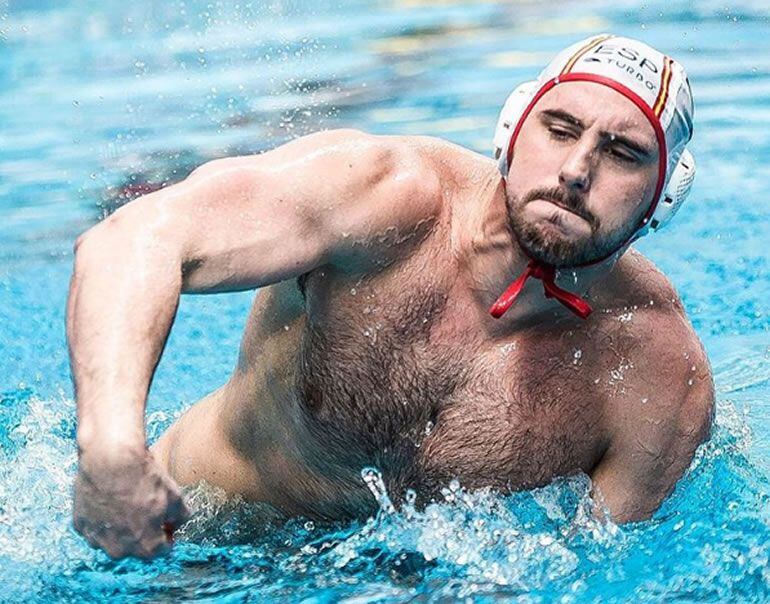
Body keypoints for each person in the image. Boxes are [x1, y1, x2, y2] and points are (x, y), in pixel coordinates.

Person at [67, 34, 714, 560]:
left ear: (664, 195)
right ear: (514, 130)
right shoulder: (384, 198)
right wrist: (110, 450)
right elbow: (132, 239)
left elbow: (599, 573)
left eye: (623, 152)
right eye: (560, 129)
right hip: (174, 544)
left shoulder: (656, 374)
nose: (576, 171)